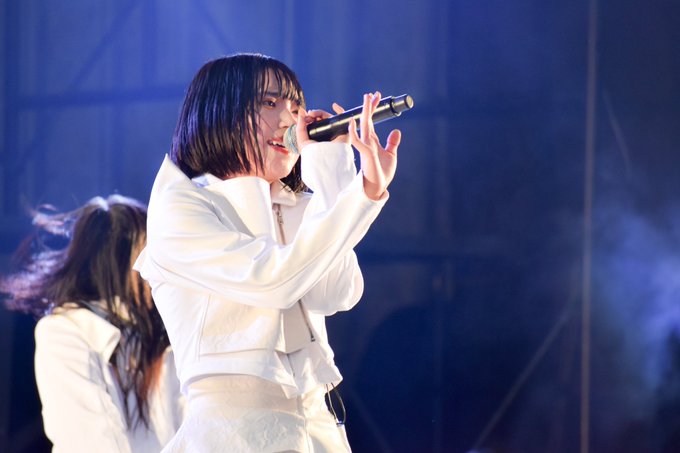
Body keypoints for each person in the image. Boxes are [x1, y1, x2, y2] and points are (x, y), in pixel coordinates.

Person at [134, 52, 401, 452]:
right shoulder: (181, 207)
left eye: (295, 106)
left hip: (316, 423)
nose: (289, 119)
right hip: (234, 433)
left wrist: (333, 175)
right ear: (221, 112)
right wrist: (362, 196)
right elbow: (273, 281)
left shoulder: (288, 201)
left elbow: (336, 292)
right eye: (270, 103)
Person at [1, 195, 185, 452]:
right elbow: (90, 440)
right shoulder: (64, 332)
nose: (158, 270)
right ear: (118, 261)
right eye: (148, 254)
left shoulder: (161, 338)